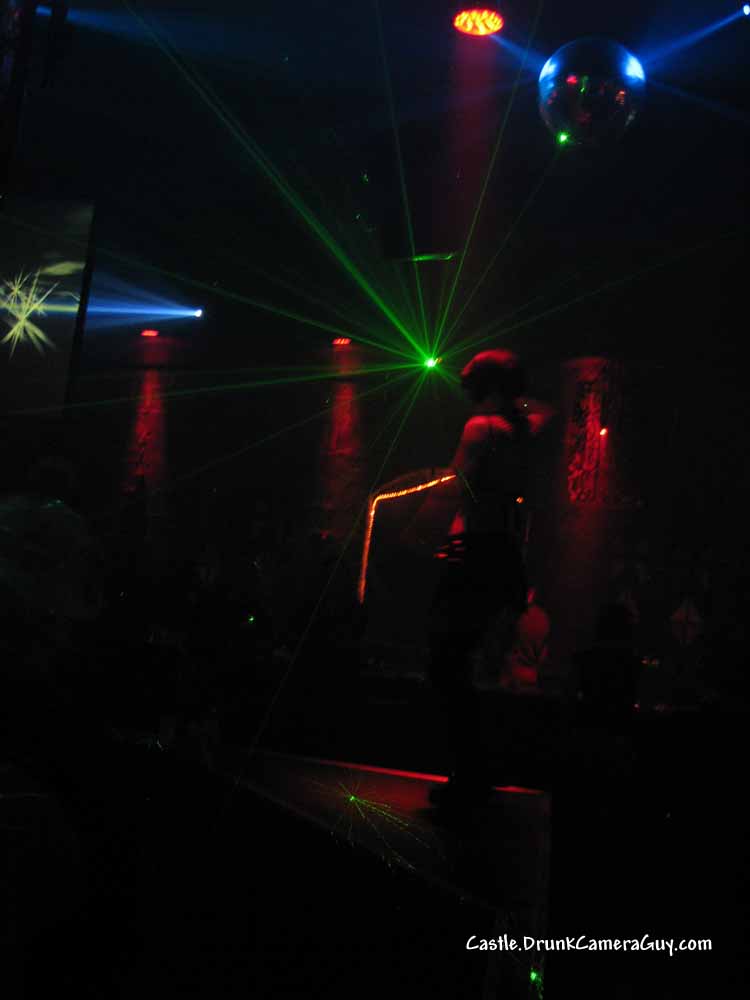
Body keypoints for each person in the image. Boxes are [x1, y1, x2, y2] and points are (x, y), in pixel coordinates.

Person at [416, 349, 541, 811]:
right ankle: (476, 772)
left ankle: (469, 774)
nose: (463, 388)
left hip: (470, 551)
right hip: (502, 555)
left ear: (483, 386)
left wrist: (419, 530)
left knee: (445, 663)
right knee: (465, 663)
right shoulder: (521, 433)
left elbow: (458, 487)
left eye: (470, 381)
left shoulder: (480, 429)